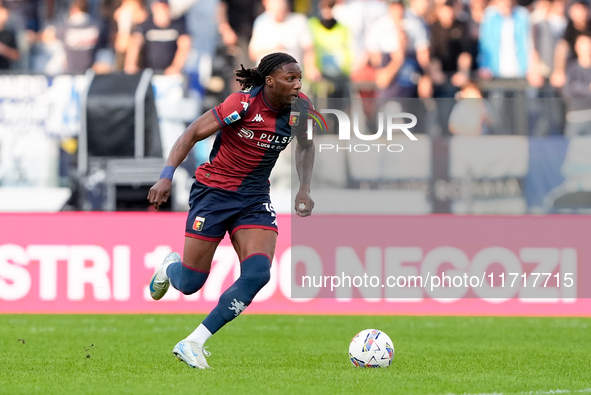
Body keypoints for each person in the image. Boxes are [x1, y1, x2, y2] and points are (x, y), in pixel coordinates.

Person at [147, 52, 315, 369]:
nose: (297, 85)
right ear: (269, 81)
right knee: (189, 283)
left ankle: (193, 342)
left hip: (253, 198)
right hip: (214, 193)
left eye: (299, 78)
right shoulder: (242, 104)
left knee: (258, 274)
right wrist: (166, 176)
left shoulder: (301, 110)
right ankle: (171, 268)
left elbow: (306, 146)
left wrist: (304, 186)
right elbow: (191, 133)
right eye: (290, 79)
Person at [124, 0, 191, 75]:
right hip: (148, 71)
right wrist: (131, 64)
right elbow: (135, 45)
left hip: (169, 73)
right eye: (159, 8)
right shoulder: (145, 26)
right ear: (154, 9)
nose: (162, 12)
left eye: (165, 9)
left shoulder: (178, 26)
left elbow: (184, 46)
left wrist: (176, 66)